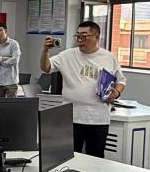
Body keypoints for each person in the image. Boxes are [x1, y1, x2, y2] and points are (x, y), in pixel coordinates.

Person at [39, 21, 126, 158]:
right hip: (71, 117)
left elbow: (121, 80)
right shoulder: (67, 55)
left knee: (96, 158)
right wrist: (45, 51)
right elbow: (46, 68)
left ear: (97, 37)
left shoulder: (109, 57)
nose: (80, 40)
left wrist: (117, 92)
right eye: (78, 36)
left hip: (98, 118)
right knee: (69, 157)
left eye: (84, 36)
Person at [0, 21, 21, 97]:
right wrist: (5, 58)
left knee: (12, 103)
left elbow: (15, 60)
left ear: (5, 31)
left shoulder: (14, 44)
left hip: (11, 81)